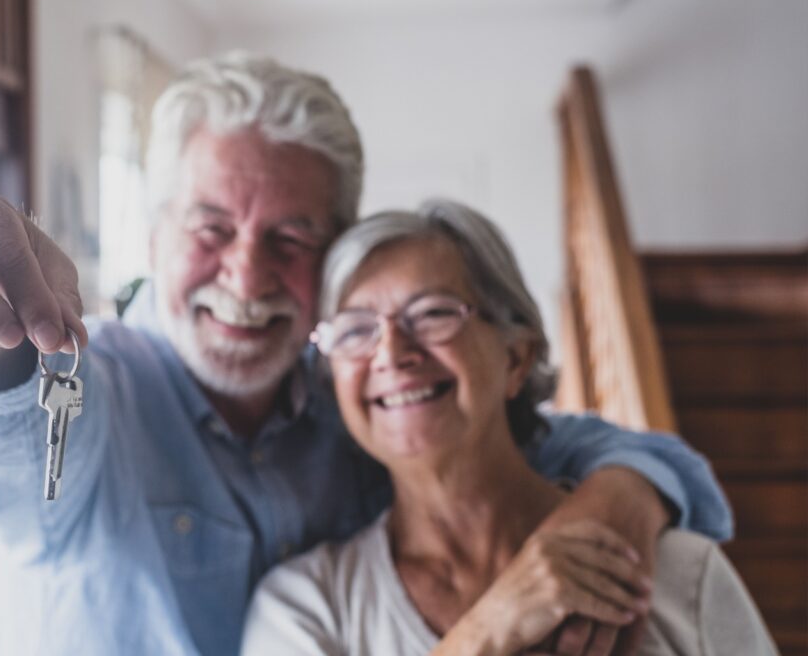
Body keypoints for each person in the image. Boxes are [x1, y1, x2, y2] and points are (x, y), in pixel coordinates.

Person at [0, 53, 732, 656]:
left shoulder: (367, 399)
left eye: (292, 235)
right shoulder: (97, 388)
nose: (246, 273)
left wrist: (622, 501)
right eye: (211, 227)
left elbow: (543, 437)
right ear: (154, 235)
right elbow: (11, 448)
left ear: (337, 259)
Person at [241, 199, 775, 656]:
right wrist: (487, 630)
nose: (393, 353)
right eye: (356, 329)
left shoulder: (683, 572)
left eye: (431, 314)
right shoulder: (306, 608)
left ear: (516, 358)